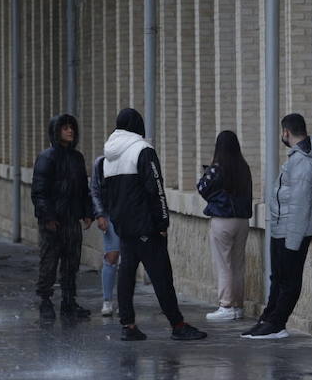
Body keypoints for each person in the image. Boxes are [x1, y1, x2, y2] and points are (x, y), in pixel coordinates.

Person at [99, 108, 207, 342]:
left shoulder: (109, 156)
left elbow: (106, 193)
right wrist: (162, 221)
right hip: (146, 226)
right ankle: (177, 324)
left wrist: (117, 219)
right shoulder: (142, 150)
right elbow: (155, 188)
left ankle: (128, 325)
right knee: (161, 276)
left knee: (126, 275)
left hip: (124, 228)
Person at [242, 113, 312, 340]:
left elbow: (300, 204)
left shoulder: (305, 162)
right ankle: (268, 319)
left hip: (293, 231)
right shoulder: (298, 157)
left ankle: (277, 323)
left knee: (289, 279)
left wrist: (292, 240)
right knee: (278, 277)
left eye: (282, 133)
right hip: (282, 228)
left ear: (286, 132)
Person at [30, 113, 93, 317]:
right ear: (56, 132)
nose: (70, 131)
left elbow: (84, 189)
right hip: (53, 221)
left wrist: (87, 213)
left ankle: (69, 301)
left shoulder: (77, 158)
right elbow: (39, 192)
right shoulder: (46, 158)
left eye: (71, 127)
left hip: (71, 220)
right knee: (49, 261)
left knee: (71, 263)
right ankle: (45, 300)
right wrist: (47, 217)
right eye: (65, 128)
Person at [198, 130, 253, 322]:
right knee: (238, 264)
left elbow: (202, 188)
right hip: (243, 221)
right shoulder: (244, 167)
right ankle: (238, 306)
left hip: (222, 220)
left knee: (224, 265)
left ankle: (226, 305)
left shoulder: (217, 168)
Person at [91, 153, 120, 317]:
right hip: (110, 213)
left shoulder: (132, 160)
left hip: (128, 213)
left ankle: (124, 302)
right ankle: (107, 300)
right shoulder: (101, 162)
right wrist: (99, 214)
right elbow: (94, 190)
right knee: (111, 255)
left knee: (129, 258)